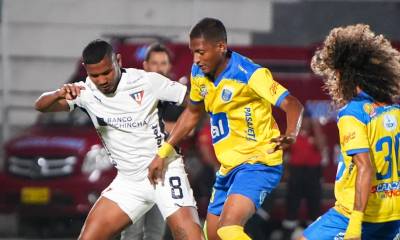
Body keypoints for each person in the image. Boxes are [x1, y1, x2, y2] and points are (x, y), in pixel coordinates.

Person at [148, 18, 304, 240]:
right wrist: (162, 153)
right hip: (228, 168)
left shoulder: (250, 73)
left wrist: (291, 133)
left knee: (229, 228)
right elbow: (192, 114)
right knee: (213, 237)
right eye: (193, 52)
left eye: (201, 52)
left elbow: (293, 104)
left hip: (258, 164)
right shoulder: (198, 73)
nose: (196, 59)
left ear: (221, 47)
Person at [34, 39, 204, 240]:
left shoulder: (146, 81)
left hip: (164, 172)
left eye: (107, 72)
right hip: (129, 181)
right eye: (95, 75)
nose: (102, 80)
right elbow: (41, 106)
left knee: (189, 236)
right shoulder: (85, 92)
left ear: (118, 60)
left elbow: (196, 103)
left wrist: (165, 149)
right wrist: (58, 93)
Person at [301, 24, 400, 240]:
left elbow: (365, 168)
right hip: (393, 215)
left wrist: (354, 224)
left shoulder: (353, 113)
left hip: (355, 215)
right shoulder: (395, 110)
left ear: (343, 74)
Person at [120, 43, 184, 240]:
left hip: (164, 172)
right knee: (132, 229)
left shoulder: (176, 96)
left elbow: (180, 130)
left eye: (163, 63)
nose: (159, 68)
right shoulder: (133, 94)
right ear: (145, 66)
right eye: (155, 63)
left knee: (156, 232)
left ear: (169, 66)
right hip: (136, 171)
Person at [282, 109, 328, 239]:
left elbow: (321, 146)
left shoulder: (317, 136)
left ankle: (315, 237)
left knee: (314, 211)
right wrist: (286, 172)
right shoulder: (293, 136)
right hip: (296, 175)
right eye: (302, 119)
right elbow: (284, 154)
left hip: (313, 175)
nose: (304, 122)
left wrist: (315, 125)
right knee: (291, 210)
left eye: (307, 118)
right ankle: (287, 236)